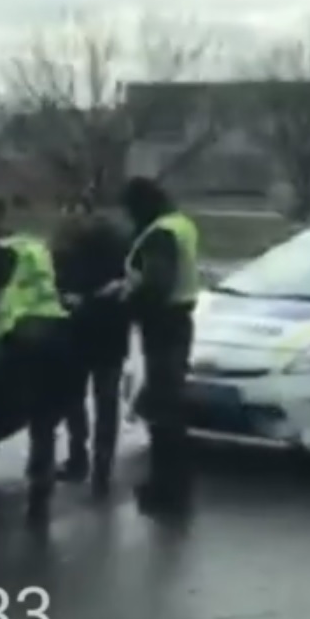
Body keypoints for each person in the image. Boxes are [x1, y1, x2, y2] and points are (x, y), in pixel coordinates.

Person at [0, 197, 78, 525]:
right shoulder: (34, 247)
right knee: (44, 421)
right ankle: (41, 492)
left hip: (24, 340)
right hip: (58, 335)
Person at [116, 177, 201, 516]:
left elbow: (156, 285)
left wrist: (124, 304)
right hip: (179, 321)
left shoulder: (160, 235)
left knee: (164, 409)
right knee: (168, 402)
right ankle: (175, 481)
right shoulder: (180, 223)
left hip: (163, 324)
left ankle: (167, 487)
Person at [50, 190, 131, 497]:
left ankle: (81, 460)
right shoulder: (118, 242)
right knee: (102, 402)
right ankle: (99, 467)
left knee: (78, 399)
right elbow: (124, 285)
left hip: (80, 330)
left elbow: (59, 285)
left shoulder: (66, 247)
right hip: (108, 330)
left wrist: (74, 300)